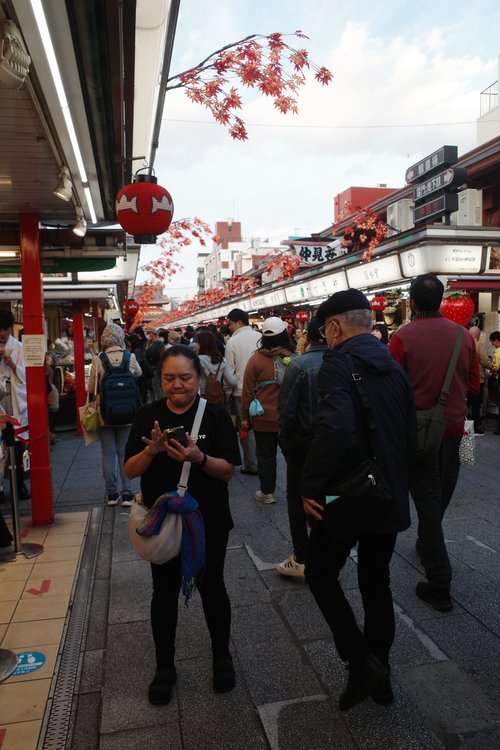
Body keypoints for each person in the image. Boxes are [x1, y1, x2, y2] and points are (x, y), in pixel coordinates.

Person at [301, 289, 415, 711]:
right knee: (375, 582)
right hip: (387, 491)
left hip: (343, 493)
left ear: (334, 327)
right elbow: (409, 433)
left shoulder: (338, 363)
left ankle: (360, 659)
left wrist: (310, 485)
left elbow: (336, 429)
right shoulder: (394, 367)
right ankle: (381, 677)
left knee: (320, 572)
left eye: (325, 331)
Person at [124, 345, 241, 705]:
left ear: (199, 378)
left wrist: (199, 457)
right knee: (163, 592)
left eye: (186, 377)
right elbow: (129, 470)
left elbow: (227, 471)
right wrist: (151, 451)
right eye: (169, 378)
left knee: (212, 587)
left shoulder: (216, 415)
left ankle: (221, 656)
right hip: (161, 523)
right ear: (160, 379)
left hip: (208, 520)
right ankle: (164, 668)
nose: (177, 385)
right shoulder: (147, 415)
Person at [388, 274, 479, 612]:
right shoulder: (463, 336)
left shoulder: (401, 338)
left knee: (427, 502)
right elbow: (474, 386)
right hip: (455, 430)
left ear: (411, 302)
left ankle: (439, 584)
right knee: (440, 493)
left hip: (417, 432)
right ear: (440, 300)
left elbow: (392, 388)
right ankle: (428, 541)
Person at [277, 317, 328, 576]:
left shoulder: (298, 365)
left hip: (303, 444)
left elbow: (287, 411)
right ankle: (327, 548)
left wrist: (285, 441)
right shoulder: (343, 361)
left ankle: (302, 555)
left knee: (296, 497)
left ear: (307, 336)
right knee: (329, 494)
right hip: (333, 444)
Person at [88, 323, 142, 506]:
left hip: (105, 413)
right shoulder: (130, 357)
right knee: (124, 452)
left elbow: (91, 387)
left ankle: (112, 494)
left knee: (108, 454)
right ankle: (127, 494)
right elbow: (139, 373)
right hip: (128, 412)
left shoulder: (98, 359)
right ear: (121, 338)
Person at [241, 317, 294, 504]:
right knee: (292, 456)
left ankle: (267, 493)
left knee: (265, 456)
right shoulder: (293, 359)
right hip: (287, 417)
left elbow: (247, 391)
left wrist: (244, 417)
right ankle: (296, 491)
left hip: (262, 417)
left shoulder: (255, 359)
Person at [224, 309, 261, 475]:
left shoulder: (232, 341)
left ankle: (251, 464)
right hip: (262, 391)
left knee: (246, 428)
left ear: (239, 322)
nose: (229, 327)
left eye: (230, 323)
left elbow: (229, 372)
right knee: (261, 427)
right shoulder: (260, 337)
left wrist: (229, 390)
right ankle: (264, 460)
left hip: (241, 393)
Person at [0, 310, 30, 500]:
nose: (2, 333)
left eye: (5, 329)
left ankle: (19, 483)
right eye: (0, 329)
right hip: (0, 396)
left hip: (14, 397)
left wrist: (11, 364)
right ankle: (1, 487)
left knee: (18, 443)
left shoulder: (18, 347)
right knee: (1, 445)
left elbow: (27, 375)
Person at [196, 331, 237, 405]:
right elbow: (232, 382)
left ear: (202, 345)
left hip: (202, 398)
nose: (196, 345)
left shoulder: (196, 360)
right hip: (218, 398)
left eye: (197, 343)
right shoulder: (222, 361)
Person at [467, 326, 490, 433]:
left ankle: (464, 426)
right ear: (479, 335)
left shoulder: (463, 344)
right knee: (476, 404)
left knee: (466, 403)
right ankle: (475, 428)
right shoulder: (479, 345)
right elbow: (485, 361)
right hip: (477, 379)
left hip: (464, 379)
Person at [145, 327, 165, 402]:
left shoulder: (159, 344)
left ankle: (161, 402)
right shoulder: (148, 343)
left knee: (157, 387)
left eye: (148, 333)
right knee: (150, 388)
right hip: (148, 369)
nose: (147, 335)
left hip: (156, 369)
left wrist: (159, 368)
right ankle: (153, 403)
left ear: (153, 333)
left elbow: (161, 357)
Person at [488, 331, 500, 434]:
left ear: (496, 340)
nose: (492, 344)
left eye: (492, 342)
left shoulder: (497, 352)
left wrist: (490, 367)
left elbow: (494, 367)